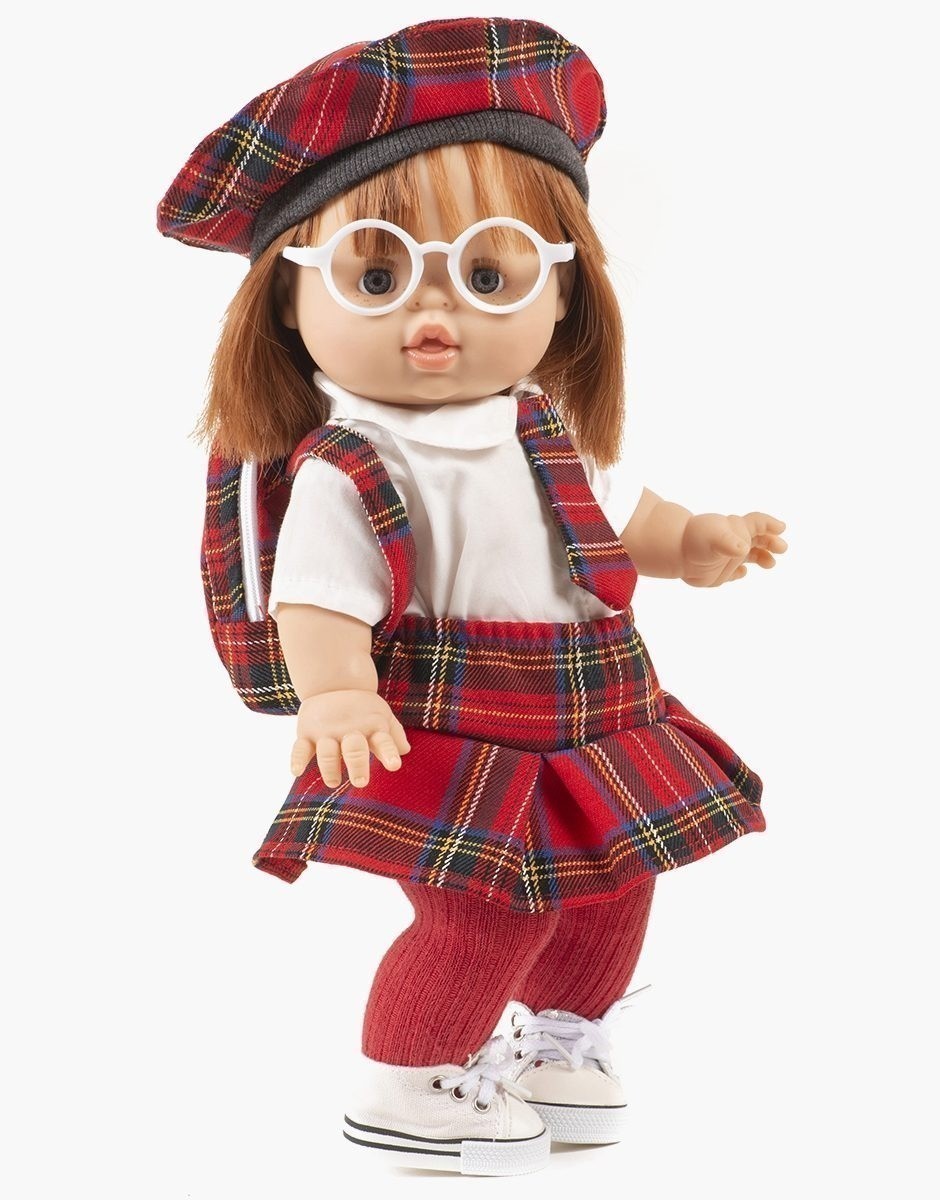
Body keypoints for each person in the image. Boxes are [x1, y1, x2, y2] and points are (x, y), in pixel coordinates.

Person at [158, 15, 787, 1177]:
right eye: (378, 276)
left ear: (563, 293)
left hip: (593, 713)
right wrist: (336, 692)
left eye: (490, 275)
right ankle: (406, 1079)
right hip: (449, 725)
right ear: (289, 300)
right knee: (483, 910)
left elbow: (617, 518)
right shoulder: (354, 465)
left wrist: (695, 539)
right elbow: (319, 600)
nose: (434, 316)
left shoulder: (541, 425)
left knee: (611, 888)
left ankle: (559, 1043)